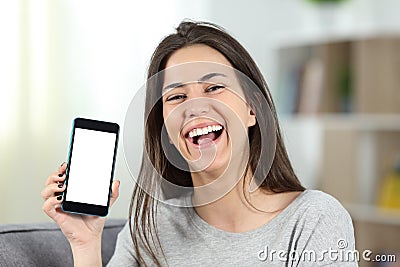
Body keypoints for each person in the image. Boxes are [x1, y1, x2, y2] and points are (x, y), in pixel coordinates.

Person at [42, 21, 357, 266]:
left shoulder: (314, 218)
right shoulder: (151, 224)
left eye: (214, 87)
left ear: (252, 109)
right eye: (177, 96)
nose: (194, 107)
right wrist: (85, 246)